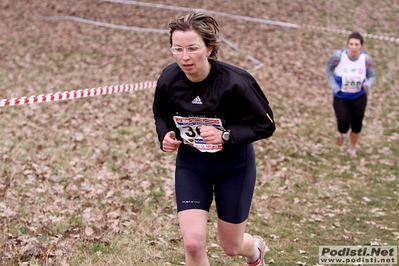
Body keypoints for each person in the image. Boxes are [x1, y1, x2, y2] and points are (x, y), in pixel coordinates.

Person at [152, 12, 275, 266]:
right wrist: (165, 135)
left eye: (192, 48)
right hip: (192, 164)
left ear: (209, 48)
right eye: (177, 49)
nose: (184, 57)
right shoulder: (168, 79)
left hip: (233, 167)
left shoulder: (236, 82)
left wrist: (226, 134)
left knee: (231, 246)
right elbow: (161, 113)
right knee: (193, 244)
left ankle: (255, 252)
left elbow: (265, 125)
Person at [325, 32, 376, 158]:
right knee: (343, 123)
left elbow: (372, 75)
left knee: (357, 124)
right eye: (351, 44)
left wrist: (368, 84)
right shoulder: (339, 56)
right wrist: (334, 86)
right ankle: (341, 131)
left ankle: (352, 148)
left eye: (356, 44)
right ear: (347, 45)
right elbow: (328, 69)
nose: (353, 47)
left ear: (361, 46)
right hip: (341, 96)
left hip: (359, 96)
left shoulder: (366, 59)